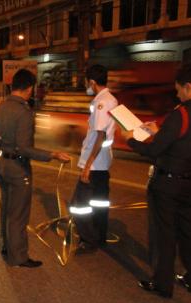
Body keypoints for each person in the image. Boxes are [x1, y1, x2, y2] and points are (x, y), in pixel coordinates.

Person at [123, 63, 191, 298]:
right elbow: (185, 140)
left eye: (178, 89)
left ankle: (162, 284)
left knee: (164, 234)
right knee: (190, 231)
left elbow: (154, 150)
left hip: (168, 185)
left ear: (187, 87)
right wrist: (159, 131)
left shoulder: (182, 113)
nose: (177, 94)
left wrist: (130, 140)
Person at [0, 69, 71, 268]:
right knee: (18, 215)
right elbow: (25, 148)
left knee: (6, 210)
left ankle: (7, 248)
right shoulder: (24, 112)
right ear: (29, 88)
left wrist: (5, 145)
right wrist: (53, 155)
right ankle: (19, 257)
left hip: (2, 165)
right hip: (18, 169)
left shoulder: (1, 107)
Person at [69, 64, 118, 254]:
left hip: (95, 163)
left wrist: (87, 166)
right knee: (99, 203)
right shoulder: (111, 98)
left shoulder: (102, 102)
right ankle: (99, 237)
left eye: (86, 82)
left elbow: (100, 135)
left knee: (78, 205)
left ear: (91, 82)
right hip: (103, 162)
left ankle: (88, 240)